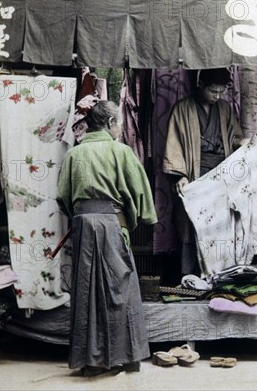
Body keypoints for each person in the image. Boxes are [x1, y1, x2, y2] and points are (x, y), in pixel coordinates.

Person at [57, 100, 157, 377]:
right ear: (111, 124)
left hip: (83, 227)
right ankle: (126, 358)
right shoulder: (120, 151)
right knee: (120, 290)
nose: (122, 127)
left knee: (86, 292)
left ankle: (90, 362)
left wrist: (82, 216)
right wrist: (140, 218)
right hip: (112, 224)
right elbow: (140, 193)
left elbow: (63, 198)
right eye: (120, 122)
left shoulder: (74, 155)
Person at [163, 67, 244, 276]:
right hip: (194, 174)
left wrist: (242, 143)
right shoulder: (183, 108)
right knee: (192, 226)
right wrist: (180, 175)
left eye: (221, 92)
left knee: (219, 224)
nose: (217, 97)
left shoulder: (225, 109)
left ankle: (218, 275)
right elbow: (174, 144)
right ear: (200, 85)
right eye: (213, 91)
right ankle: (189, 275)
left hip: (220, 175)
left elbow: (233, 138)